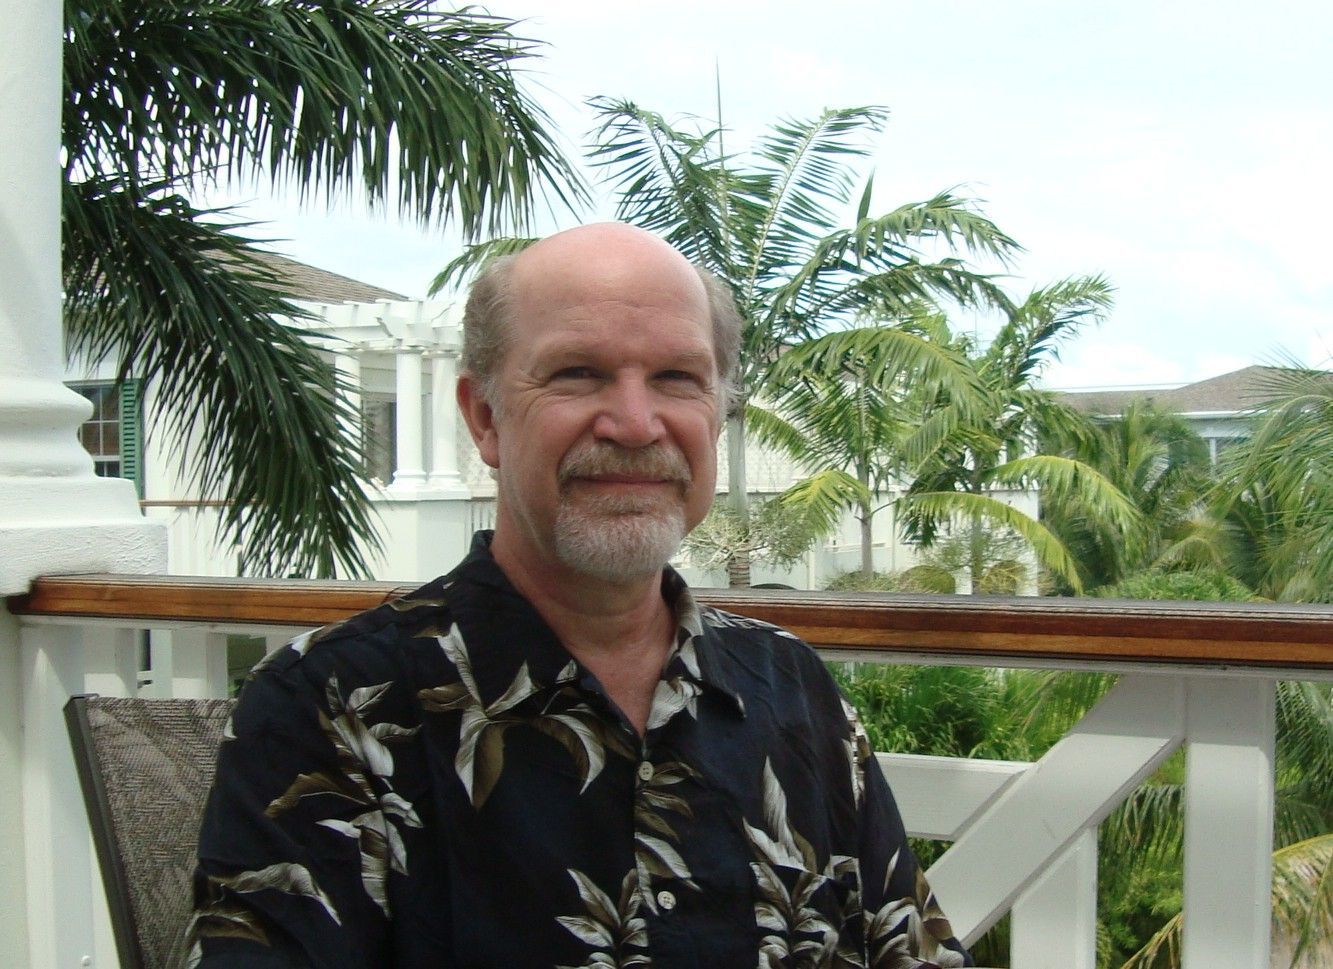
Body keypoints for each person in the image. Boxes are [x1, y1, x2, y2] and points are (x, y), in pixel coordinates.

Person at [190, 224, 971, 968]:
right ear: (484, 418)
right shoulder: (327, 709)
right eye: (576, 373)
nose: (634, 423)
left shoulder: (789, 686)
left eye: (676, 378)